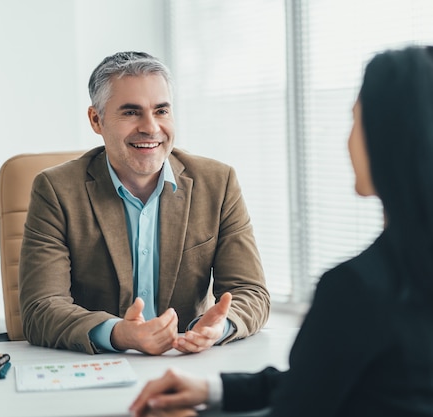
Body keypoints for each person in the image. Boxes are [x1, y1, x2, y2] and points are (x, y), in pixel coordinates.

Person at [129, 45, 433, 417]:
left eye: (356, 120)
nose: (346, 139)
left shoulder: (356, 289)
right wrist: (212, 391)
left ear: (394, 145)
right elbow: (330, 383)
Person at [18, 51, 270, 356]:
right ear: (96, 120)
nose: (151, 128)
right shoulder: (56, 190)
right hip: (99, 366)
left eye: (161, 111)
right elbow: (41, 309)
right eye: (131, 112)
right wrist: (121, 334)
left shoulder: (218, 183)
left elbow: (251, 293)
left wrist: (219, 326)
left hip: (186, 364)